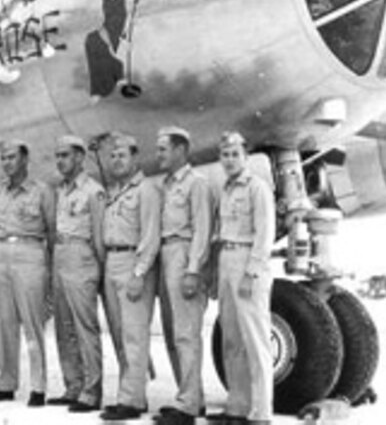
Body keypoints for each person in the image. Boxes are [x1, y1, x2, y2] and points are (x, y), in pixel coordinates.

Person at [207, 132, 274, 425]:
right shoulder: (225, 189)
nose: (230, 160)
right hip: (227, 259)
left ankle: (261, 412)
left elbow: (265, 232)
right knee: (231, 339)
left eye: (235, 154)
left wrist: (252, 272)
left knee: (256, 341)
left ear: (246, 157)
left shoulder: (257, 188)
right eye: (225, 155)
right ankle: (237, 407)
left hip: (248, 261)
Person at [0, 139, 55, 407]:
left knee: (32, 323)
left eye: (12, 157)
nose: (7, 163)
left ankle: (38, 386)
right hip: (2, 252)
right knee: (5, 321)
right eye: (3, 158)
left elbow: (52, 229)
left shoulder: (41, 191)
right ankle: (6, 382)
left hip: (30, 251)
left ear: (25, 159)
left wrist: (48, 267)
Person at [99, 134, 161, 421]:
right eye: (112, 156)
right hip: (112, 261)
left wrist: (139, 273)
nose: (116, 160)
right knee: (120, 334)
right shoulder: (114, 191)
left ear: (135, 158)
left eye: (122, 155)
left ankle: (132, 401)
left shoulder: (146, 190)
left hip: (132, 263)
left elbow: (150, 236)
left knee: (134, 335)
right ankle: (130, 395)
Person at [155, 126, 212, 425]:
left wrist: (193, 270)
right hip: (167, 255)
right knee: (173, 333)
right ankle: (191, 398)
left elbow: (203, 229)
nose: (158, 155)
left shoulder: (196, 183)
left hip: (184, 254)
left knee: (186, 334)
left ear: (180, 150)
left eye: (163, 149)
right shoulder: (166, 185)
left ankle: (188, 407)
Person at [47, 135, 105, 413]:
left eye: (65, 155)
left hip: (82, 257)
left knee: (85, 327)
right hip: (60, 257)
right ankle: (73, 385)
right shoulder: (60, 190)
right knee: (64, 327)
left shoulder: (93, 191)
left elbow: (99, 236)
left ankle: (92, 391)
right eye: (57, 156)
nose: (60, 161)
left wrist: (100, 271)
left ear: (80, 157)